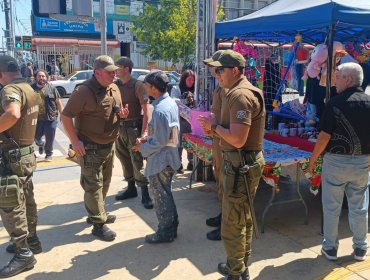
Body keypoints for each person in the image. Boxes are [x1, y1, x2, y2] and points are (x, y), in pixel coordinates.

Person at [199, 50, 266, 280]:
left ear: (235, 70)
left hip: (240, 165)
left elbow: (238, 139)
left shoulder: (240, 95)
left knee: (233, 222)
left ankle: (236, 271)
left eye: (219, 70)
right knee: (241, 218)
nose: (216, 74)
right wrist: (214, 125)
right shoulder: (232, 91)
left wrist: (214, 126)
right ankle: (239, 265)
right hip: (238, 163)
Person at [61, 55, 127, 242]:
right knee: (93, 186)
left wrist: (122, 114)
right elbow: (65, 118)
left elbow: (116, 111)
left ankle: (98, 212)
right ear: (97, 72)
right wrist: (75, 141)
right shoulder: (83, 91)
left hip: (108, 145)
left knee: (104, 183)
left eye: (115, 71)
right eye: (110, 72)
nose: (114, 74)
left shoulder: (114, 88)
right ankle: (98, 224)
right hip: (90, 147)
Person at [309, 62, 370, 262]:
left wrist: (313, 159)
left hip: (336, 162)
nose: (335, 80)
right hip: (362, 163)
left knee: (332, 207)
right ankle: (361, 248)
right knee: (359, 207)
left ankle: (331, 248)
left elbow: (324, 136)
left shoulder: (335, 103)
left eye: (338, 76)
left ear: (349, 79)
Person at [0, 55, 41, 278]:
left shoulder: (10, 90)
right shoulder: (29, 88)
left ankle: (23, 252)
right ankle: (31, 239)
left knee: (10, 203)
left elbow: (13, 113)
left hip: (11, 157)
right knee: (26, 198)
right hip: (25, 153)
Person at [133, 71, 181, 243]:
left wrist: (142, 147)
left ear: (154, 87)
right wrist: (148, 138)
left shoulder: (160, 109)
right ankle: (172, 225)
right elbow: (166, 135)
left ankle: (166, 231)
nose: (145, 89)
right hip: (169, 156)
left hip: (161, 160)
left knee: (160, 197)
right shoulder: (169, 103)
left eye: (146, 86)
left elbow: (160, 141)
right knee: (166, 194)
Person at [113, 57, 153, 209]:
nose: (116, 69)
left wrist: (144, 134)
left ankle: (145, 193)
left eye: (119, 66)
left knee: (137, 160)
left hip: (133, 128)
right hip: (119, 128)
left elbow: (146, 112)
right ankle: (131, 188)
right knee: (123, 158)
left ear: (127, 69)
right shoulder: (114, 85)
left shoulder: (137, 85)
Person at [202, 50, 225, 241]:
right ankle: (223, 215)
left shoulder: (229, 90)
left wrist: (214, 126)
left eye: (213, 66)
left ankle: (227, 223)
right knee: (220, 181)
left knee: (226, 184)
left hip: (226, 142)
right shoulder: (219, 88)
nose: (210, 69)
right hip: (218, 140)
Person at [32, 70, 63, 161]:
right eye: (39, 76)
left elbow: (58, 102)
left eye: (43, 76)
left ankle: (48, 154)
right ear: (36, 77)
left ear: (46, 77)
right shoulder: (31, 88)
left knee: (50, 137)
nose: (41, 78)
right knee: (36, 137)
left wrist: (63, 115)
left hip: (51, 117)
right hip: (37, 118)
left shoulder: (52, 88)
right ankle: (40, 144)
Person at [171, 70, 195, 172]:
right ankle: (178, 164)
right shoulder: (176, 88)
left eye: (193, 79)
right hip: (179, 120)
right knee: (178, 143)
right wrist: (187, 100)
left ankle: (191, 162)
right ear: (183, 79)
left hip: (191, 121)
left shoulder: (196, 89)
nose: (191, 81)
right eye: (189, 79)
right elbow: (174, 101)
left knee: (191, 142)